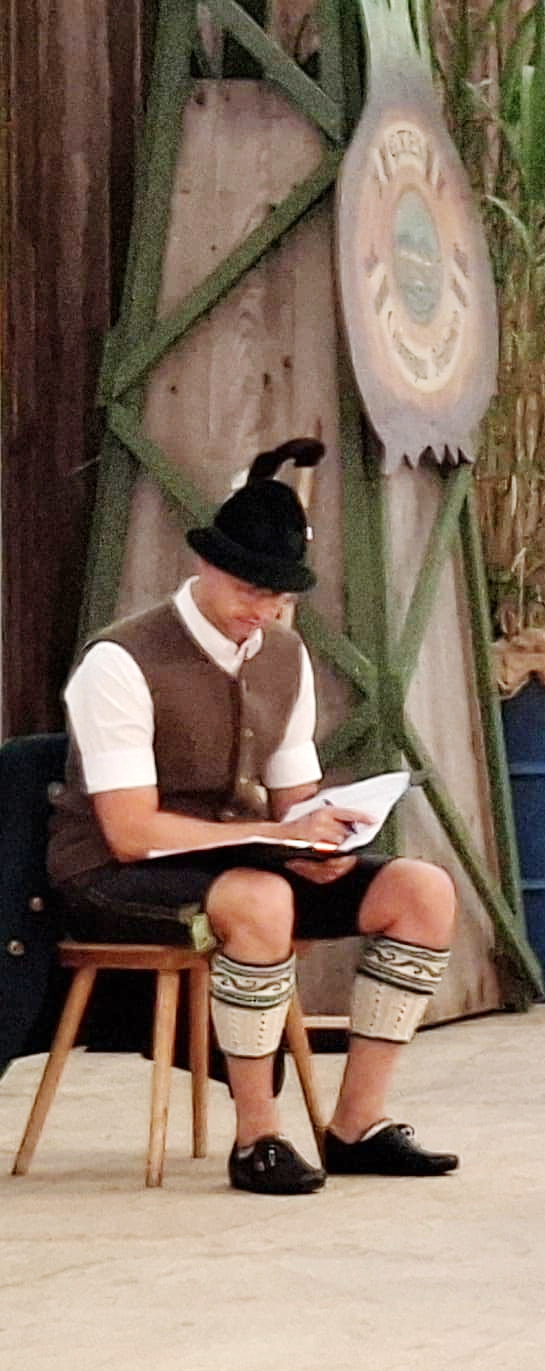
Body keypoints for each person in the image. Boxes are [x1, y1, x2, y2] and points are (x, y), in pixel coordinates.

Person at [47, 440, 460, 1195]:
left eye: (279, 599)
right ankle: (258, 1138)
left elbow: (294, 799)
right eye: (249, 591)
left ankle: (356, 1126)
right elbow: (130, 833)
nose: (262, 612)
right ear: (204, 564)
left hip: (242, 859)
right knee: (262, 899)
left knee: (421, 891)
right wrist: (275, 839)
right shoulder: (121, 660)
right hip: (108, 874)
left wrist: (323, 840)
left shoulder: (285, 655)